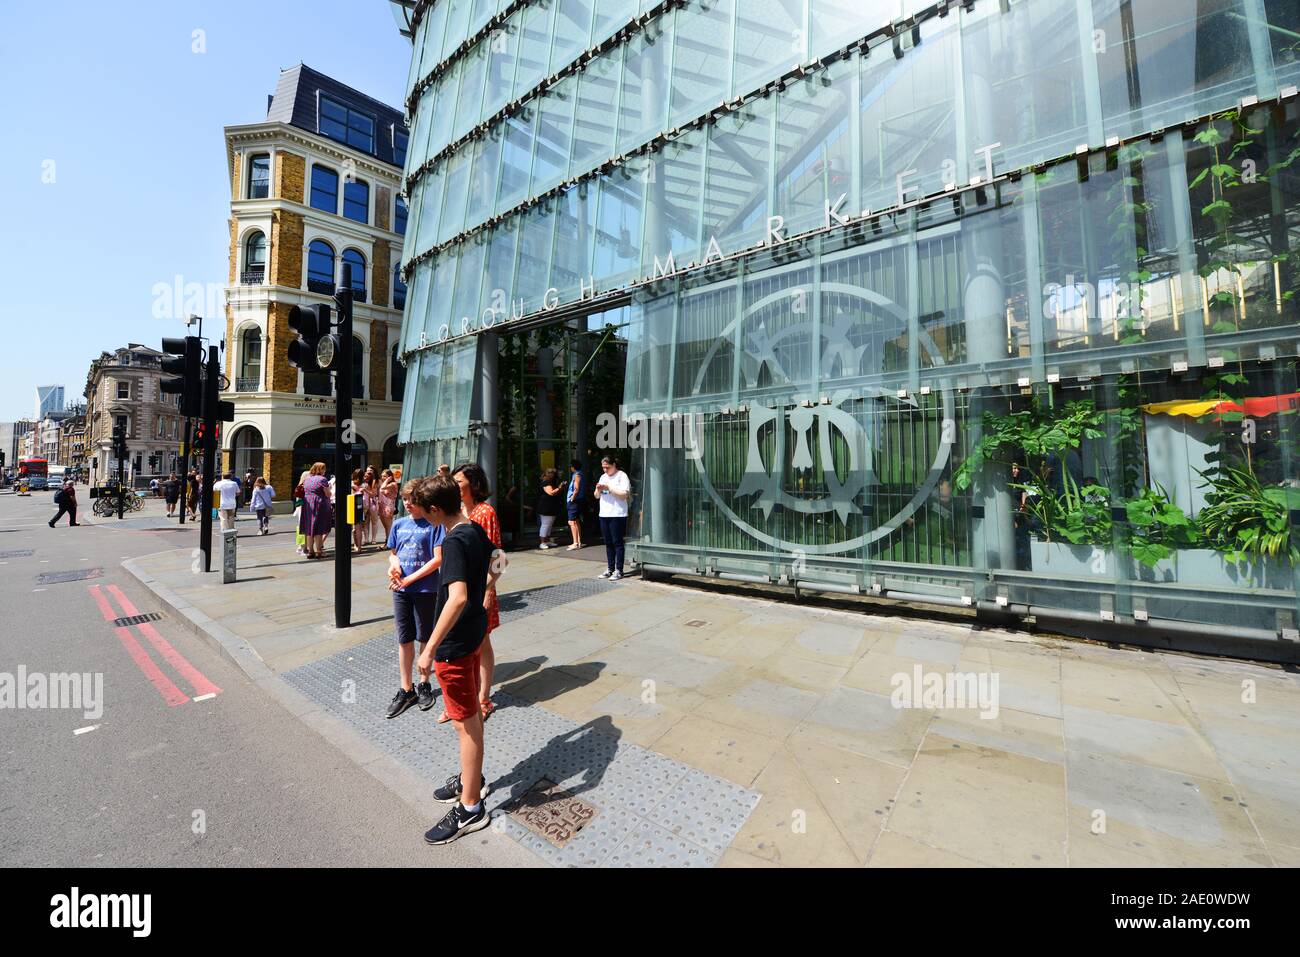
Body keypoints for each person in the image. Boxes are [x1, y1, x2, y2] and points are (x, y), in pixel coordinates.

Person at [416, 472, 502, 845]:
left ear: (437, 509)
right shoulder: (476, 528)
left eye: (423, 511)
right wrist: (488, 591)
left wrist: (429, 648)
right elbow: (500, 561)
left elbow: (456, 597)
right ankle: (472, 779)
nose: (421, 516)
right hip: (472, 635)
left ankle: (470, 807)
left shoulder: (453, 541)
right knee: (470, 717)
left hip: (452, 645)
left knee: (464, 725)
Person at [438, 463, 501, 724]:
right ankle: (461, 702)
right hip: (457, 588)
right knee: (466, 645)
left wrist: (488, 589)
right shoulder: (454, 511)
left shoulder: (485, 512)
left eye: (459, 482)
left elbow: (498, 557)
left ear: (473, 485)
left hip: (480, 588)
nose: (455, 486)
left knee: (481, 643)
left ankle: (483, 698)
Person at [386, 478, 445, 719]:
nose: (408, 504)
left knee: (425, 635)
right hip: (401, 589)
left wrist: (410, 579)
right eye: (405, 499)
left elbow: (438, 559)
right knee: (404, 637)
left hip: (425, 589)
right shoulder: (398, 524)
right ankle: (406, 688)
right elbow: (393, 554)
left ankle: (423, 683)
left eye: (413, 500)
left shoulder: (434, 525)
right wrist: (395, 567)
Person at [594, 455, 630, 581]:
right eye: (603, 467)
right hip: (604, 513)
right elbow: (596, 496)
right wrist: (598, 490)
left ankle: (619, 569)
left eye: (607, 467)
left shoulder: (621, 476)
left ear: (614, 465)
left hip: (617, 514)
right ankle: (610, 568)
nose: (605, 470)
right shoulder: (603, 477)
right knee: (608, 542)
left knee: (617, 542)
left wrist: (609, 488)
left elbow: (624, 495)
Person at [299, 462, 333, 559]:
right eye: (324, 469)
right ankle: (318, 551)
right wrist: (329, 490)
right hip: (319, 504)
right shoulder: (323, 479)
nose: (325, 471)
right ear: (320, 469)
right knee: (319, 528)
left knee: (309, 528)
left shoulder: (307, 479)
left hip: (307, 505)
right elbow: (328, 494)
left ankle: (310, 551)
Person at [536, 468, 563, 549]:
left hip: (550, 507)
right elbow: (551, 492)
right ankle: (542, 542)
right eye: (552, 473)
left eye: (553, 473)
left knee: (549, 525)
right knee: (545, 525)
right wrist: (560, 487)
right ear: (547, 474)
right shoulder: (546, 482)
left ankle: (546, 541)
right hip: (546, 507)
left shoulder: (549, 482)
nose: (553, 475)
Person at [565, 459, 584, 550]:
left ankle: (575, 543)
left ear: (573, 467)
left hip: (574, 501)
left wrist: (572, 498)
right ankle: (578, 541)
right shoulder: (579, 474)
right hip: (577, 500)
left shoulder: (577, 475)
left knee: (571, 522)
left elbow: (576, 488)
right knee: (576, 521)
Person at [377, 468, 400, 540]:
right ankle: (387, 542)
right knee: (385, 527)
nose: (382, 477)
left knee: (388, 526)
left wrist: (387, 480)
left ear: (390, 476)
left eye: (384, 476)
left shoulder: (393, 484)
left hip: (388, 507)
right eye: (382, 476)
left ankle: (389, 543)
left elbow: (382, 488)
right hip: (381, 506)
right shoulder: (383, 483)